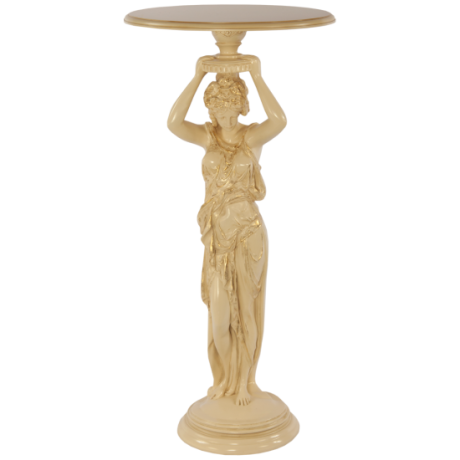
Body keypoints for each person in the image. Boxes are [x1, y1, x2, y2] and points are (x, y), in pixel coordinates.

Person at [166, 55, 287, 405]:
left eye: (230, 109)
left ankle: (245, 382)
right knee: (219, 318)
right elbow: (173, 122)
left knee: (247, 311)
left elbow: (279, 120)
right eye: (217, 109)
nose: (223, 116)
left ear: (241, 106)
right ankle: (222, 379)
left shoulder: (251, 136)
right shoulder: (207, 135)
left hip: (248, 232)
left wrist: (257, 77)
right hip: (218, 238)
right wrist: (196, 77)